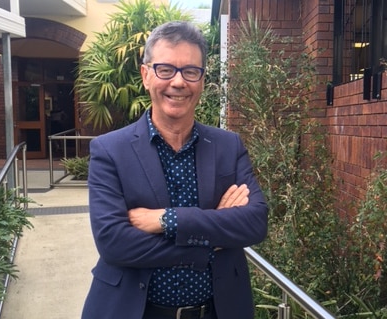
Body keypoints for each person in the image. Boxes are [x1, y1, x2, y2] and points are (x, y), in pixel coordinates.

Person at [82, 21, 268, 319]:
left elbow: (255, 223)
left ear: (203, 80)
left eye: (190, 71)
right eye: (165, 69)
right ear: (146, 75)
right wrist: (210, 239)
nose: (178, 82)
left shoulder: (228, 146)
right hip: (133, 311)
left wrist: (167, 220)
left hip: (217, 311)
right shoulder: (109, 150)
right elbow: (114, 244)